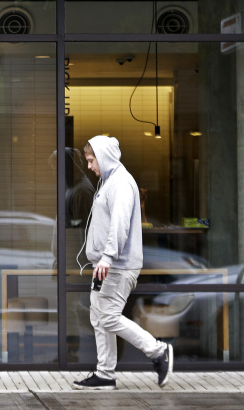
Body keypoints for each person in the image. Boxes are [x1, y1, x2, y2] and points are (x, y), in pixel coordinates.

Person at [71, 135, 173, 391]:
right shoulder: (108, 182)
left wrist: (107, 256)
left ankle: (158, 351)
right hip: (106, 266)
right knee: (98, 317)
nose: (90, 166)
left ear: (103, 156)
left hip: (117, 266)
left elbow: (120, 223)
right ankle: (105, 374)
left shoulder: (121, 183)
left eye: (92, 160)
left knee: (108, 316)